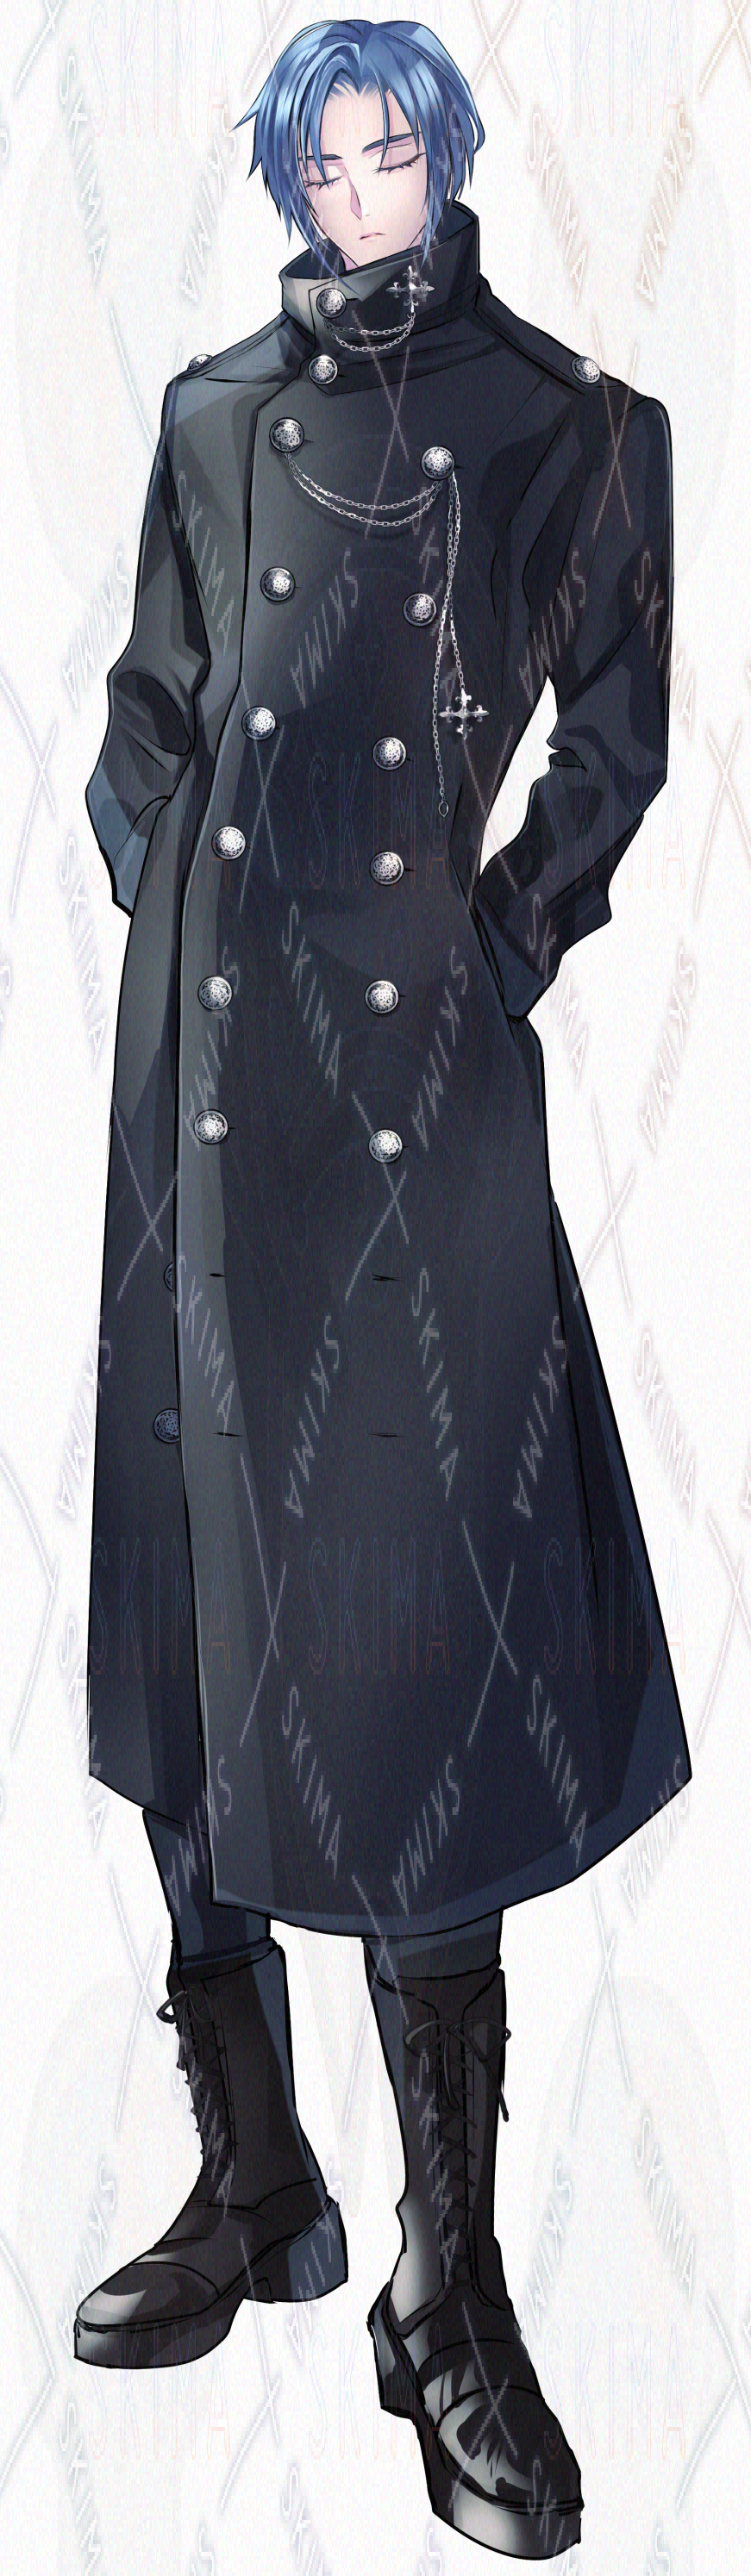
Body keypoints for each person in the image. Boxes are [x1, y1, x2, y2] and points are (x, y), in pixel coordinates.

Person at [74, 16, 691, 2561]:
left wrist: (486, 950)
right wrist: (182, 939)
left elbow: (618, 734)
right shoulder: (214, 414)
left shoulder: (566, 426)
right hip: (202, 1108)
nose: (358, 192)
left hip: (413, 1126)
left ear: (448, 163)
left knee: (421, 1680)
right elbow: (144, 709)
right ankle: (260, 2184)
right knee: (200, 1643)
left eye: (391, 151)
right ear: (283, 181)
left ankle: (455, 2306)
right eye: (317, 159)